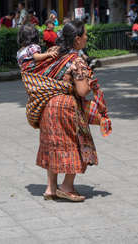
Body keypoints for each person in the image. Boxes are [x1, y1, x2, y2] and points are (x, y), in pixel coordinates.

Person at [21, 20, 111, 202]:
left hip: (47, 107)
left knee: (52, 146)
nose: (87, 37)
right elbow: (82, 90)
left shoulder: (53, 56)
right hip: (66, 108)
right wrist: (89, 80)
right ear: (77, 39)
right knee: (77, 144)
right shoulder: (76, 60)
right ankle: (66, 187)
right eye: (85, 34)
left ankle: (50, 189)